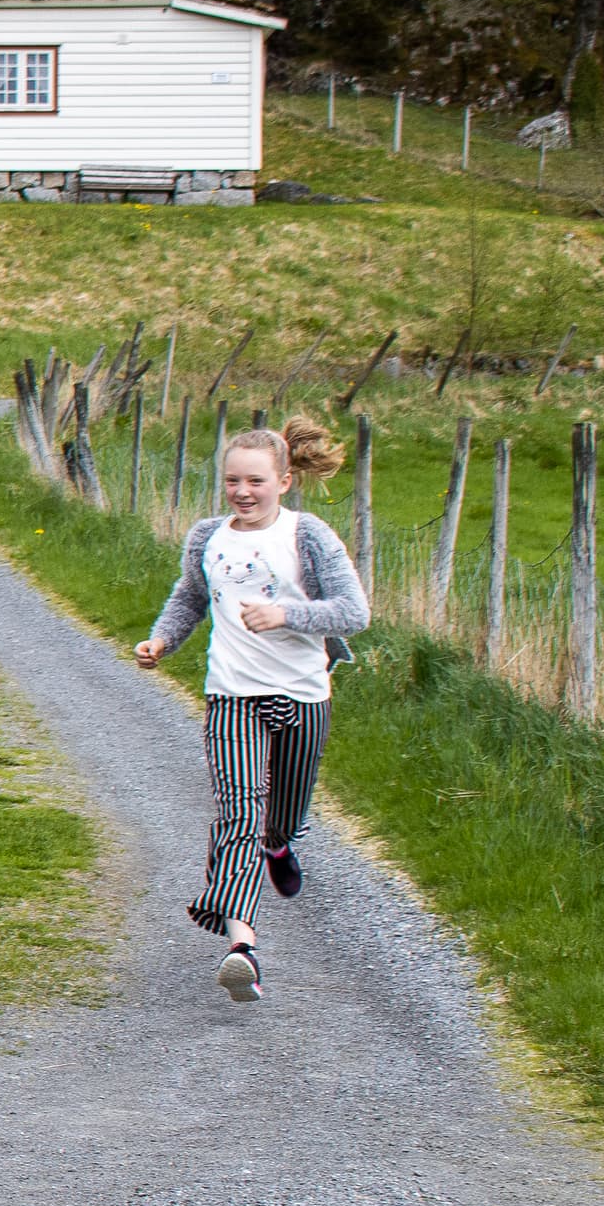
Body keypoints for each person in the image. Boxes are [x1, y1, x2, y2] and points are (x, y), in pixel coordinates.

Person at [134, 415, 367, 1002]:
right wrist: (162, 640)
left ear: (284, 481)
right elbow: (190, 595)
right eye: (233, 480)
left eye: (256, 481)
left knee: (279, 814)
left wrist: (287, 615)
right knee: (237, 814)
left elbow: (354, 613)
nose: (242, 491)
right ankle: (243, 948)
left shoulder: (307, 536)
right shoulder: (208, 536)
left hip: (303, 693)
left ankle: (281, 842)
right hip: (232, 695)